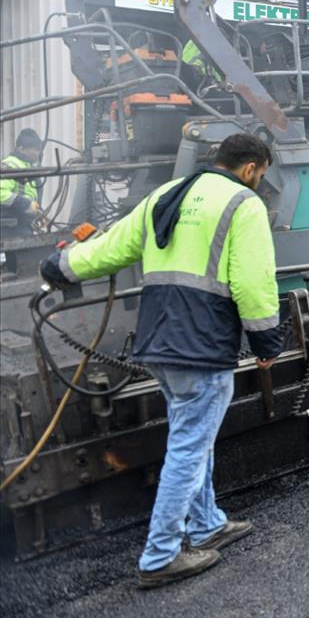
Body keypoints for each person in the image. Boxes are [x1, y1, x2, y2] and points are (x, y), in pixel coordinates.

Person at [41, 133, 285, 588]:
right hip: (203, 342)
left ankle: (208, 523)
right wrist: (268, 343)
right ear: (251, 168)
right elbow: (252, 284)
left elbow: (109, 249)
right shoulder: (243, 204)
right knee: (190, 445)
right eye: (262, 175)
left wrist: (60, 267)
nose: (259, 182)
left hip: (158, 340)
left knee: (194, 435)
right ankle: (161, 555)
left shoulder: (166, 194)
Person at [1, 128, 43, 231]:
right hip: (9, 226)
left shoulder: (28, 167)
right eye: (34, 149)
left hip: (23, 223)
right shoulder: (10, 165)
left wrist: (39, 213)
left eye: (38, 150)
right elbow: (1, 193)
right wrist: (26, 204)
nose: (37, 153)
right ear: (21, 149)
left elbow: (30, 195)